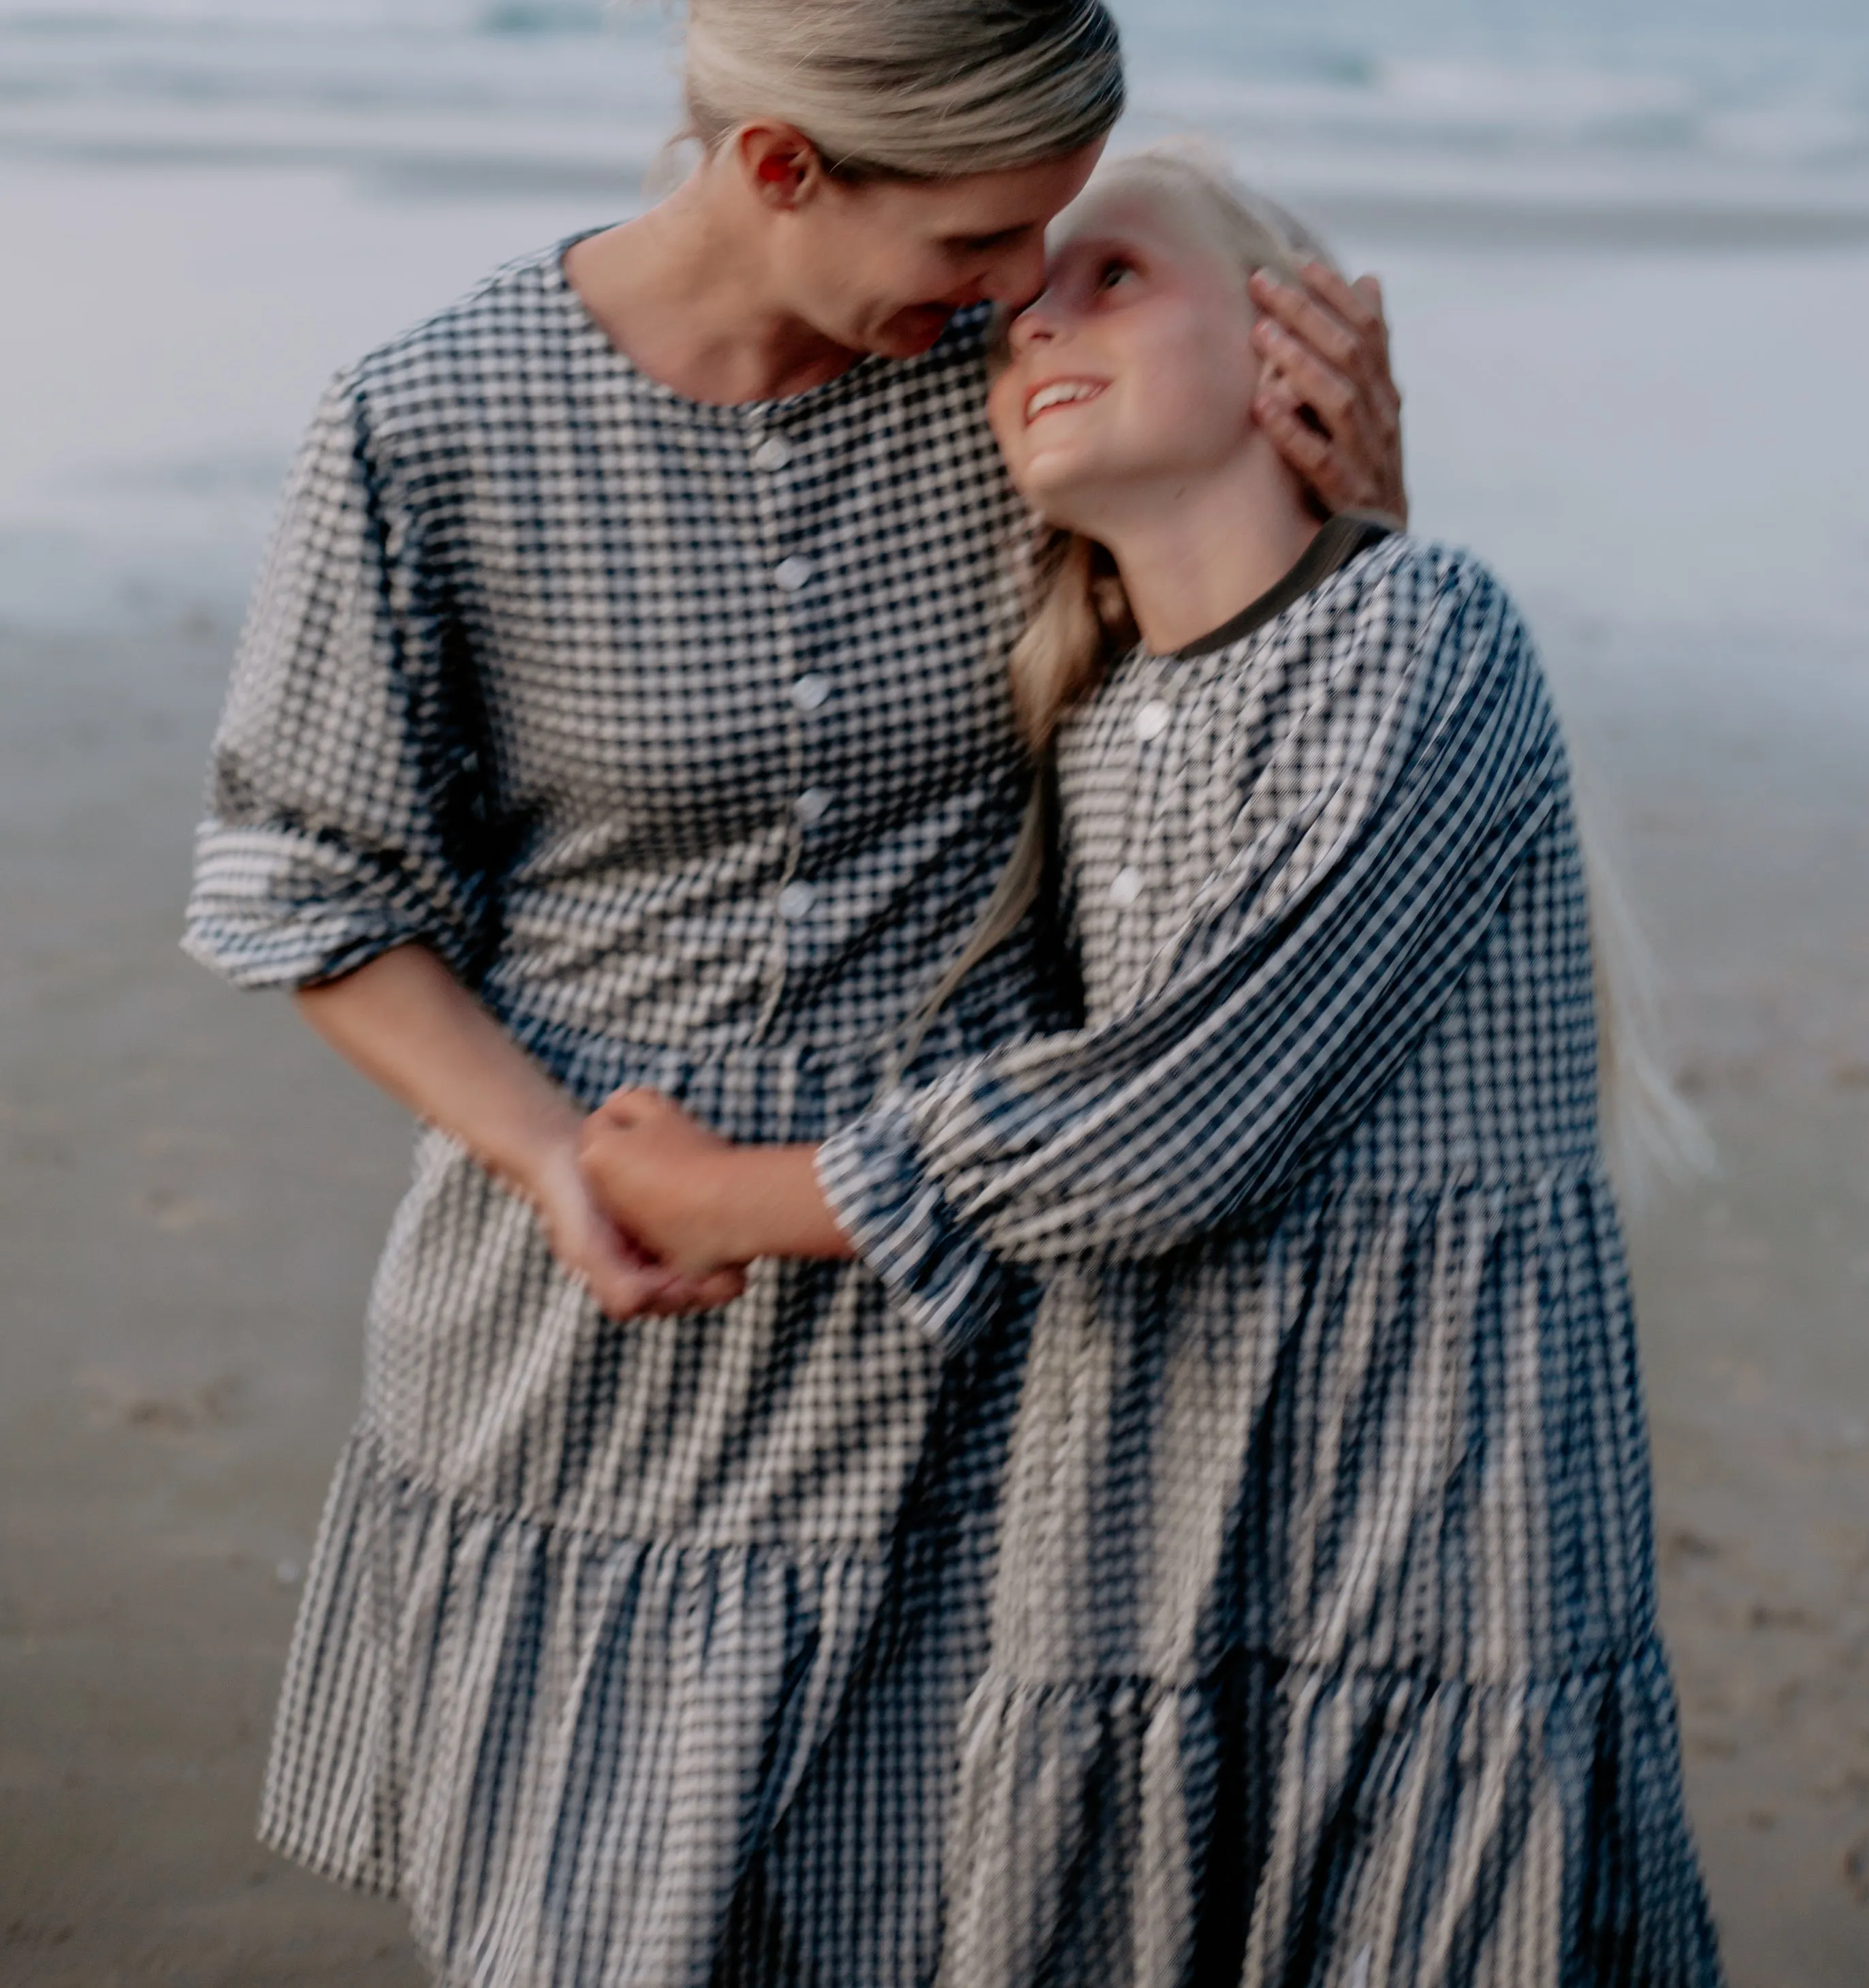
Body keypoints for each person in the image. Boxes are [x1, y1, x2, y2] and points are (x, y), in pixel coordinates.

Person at [184, 0, 1403, 1988]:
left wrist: (1349, 516)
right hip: (598, 1340)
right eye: (980, 236)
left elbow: (1249, 741)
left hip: (980, 1339)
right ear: (776, 158)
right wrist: (556, 1158)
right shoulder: (428, 426)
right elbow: (313, 886)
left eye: (1057, 227)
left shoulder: (1014, 405)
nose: (1027, 286)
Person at [586, 144, 1721, 1988]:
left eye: (1109, 277)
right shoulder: (1096, 737)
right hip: (1145, 1532)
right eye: (1008, 305)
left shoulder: (1429, 632)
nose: (1034, 314)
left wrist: (726, 1195)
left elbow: (1160, 1124)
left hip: (1426, 1548)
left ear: (1292, 334)